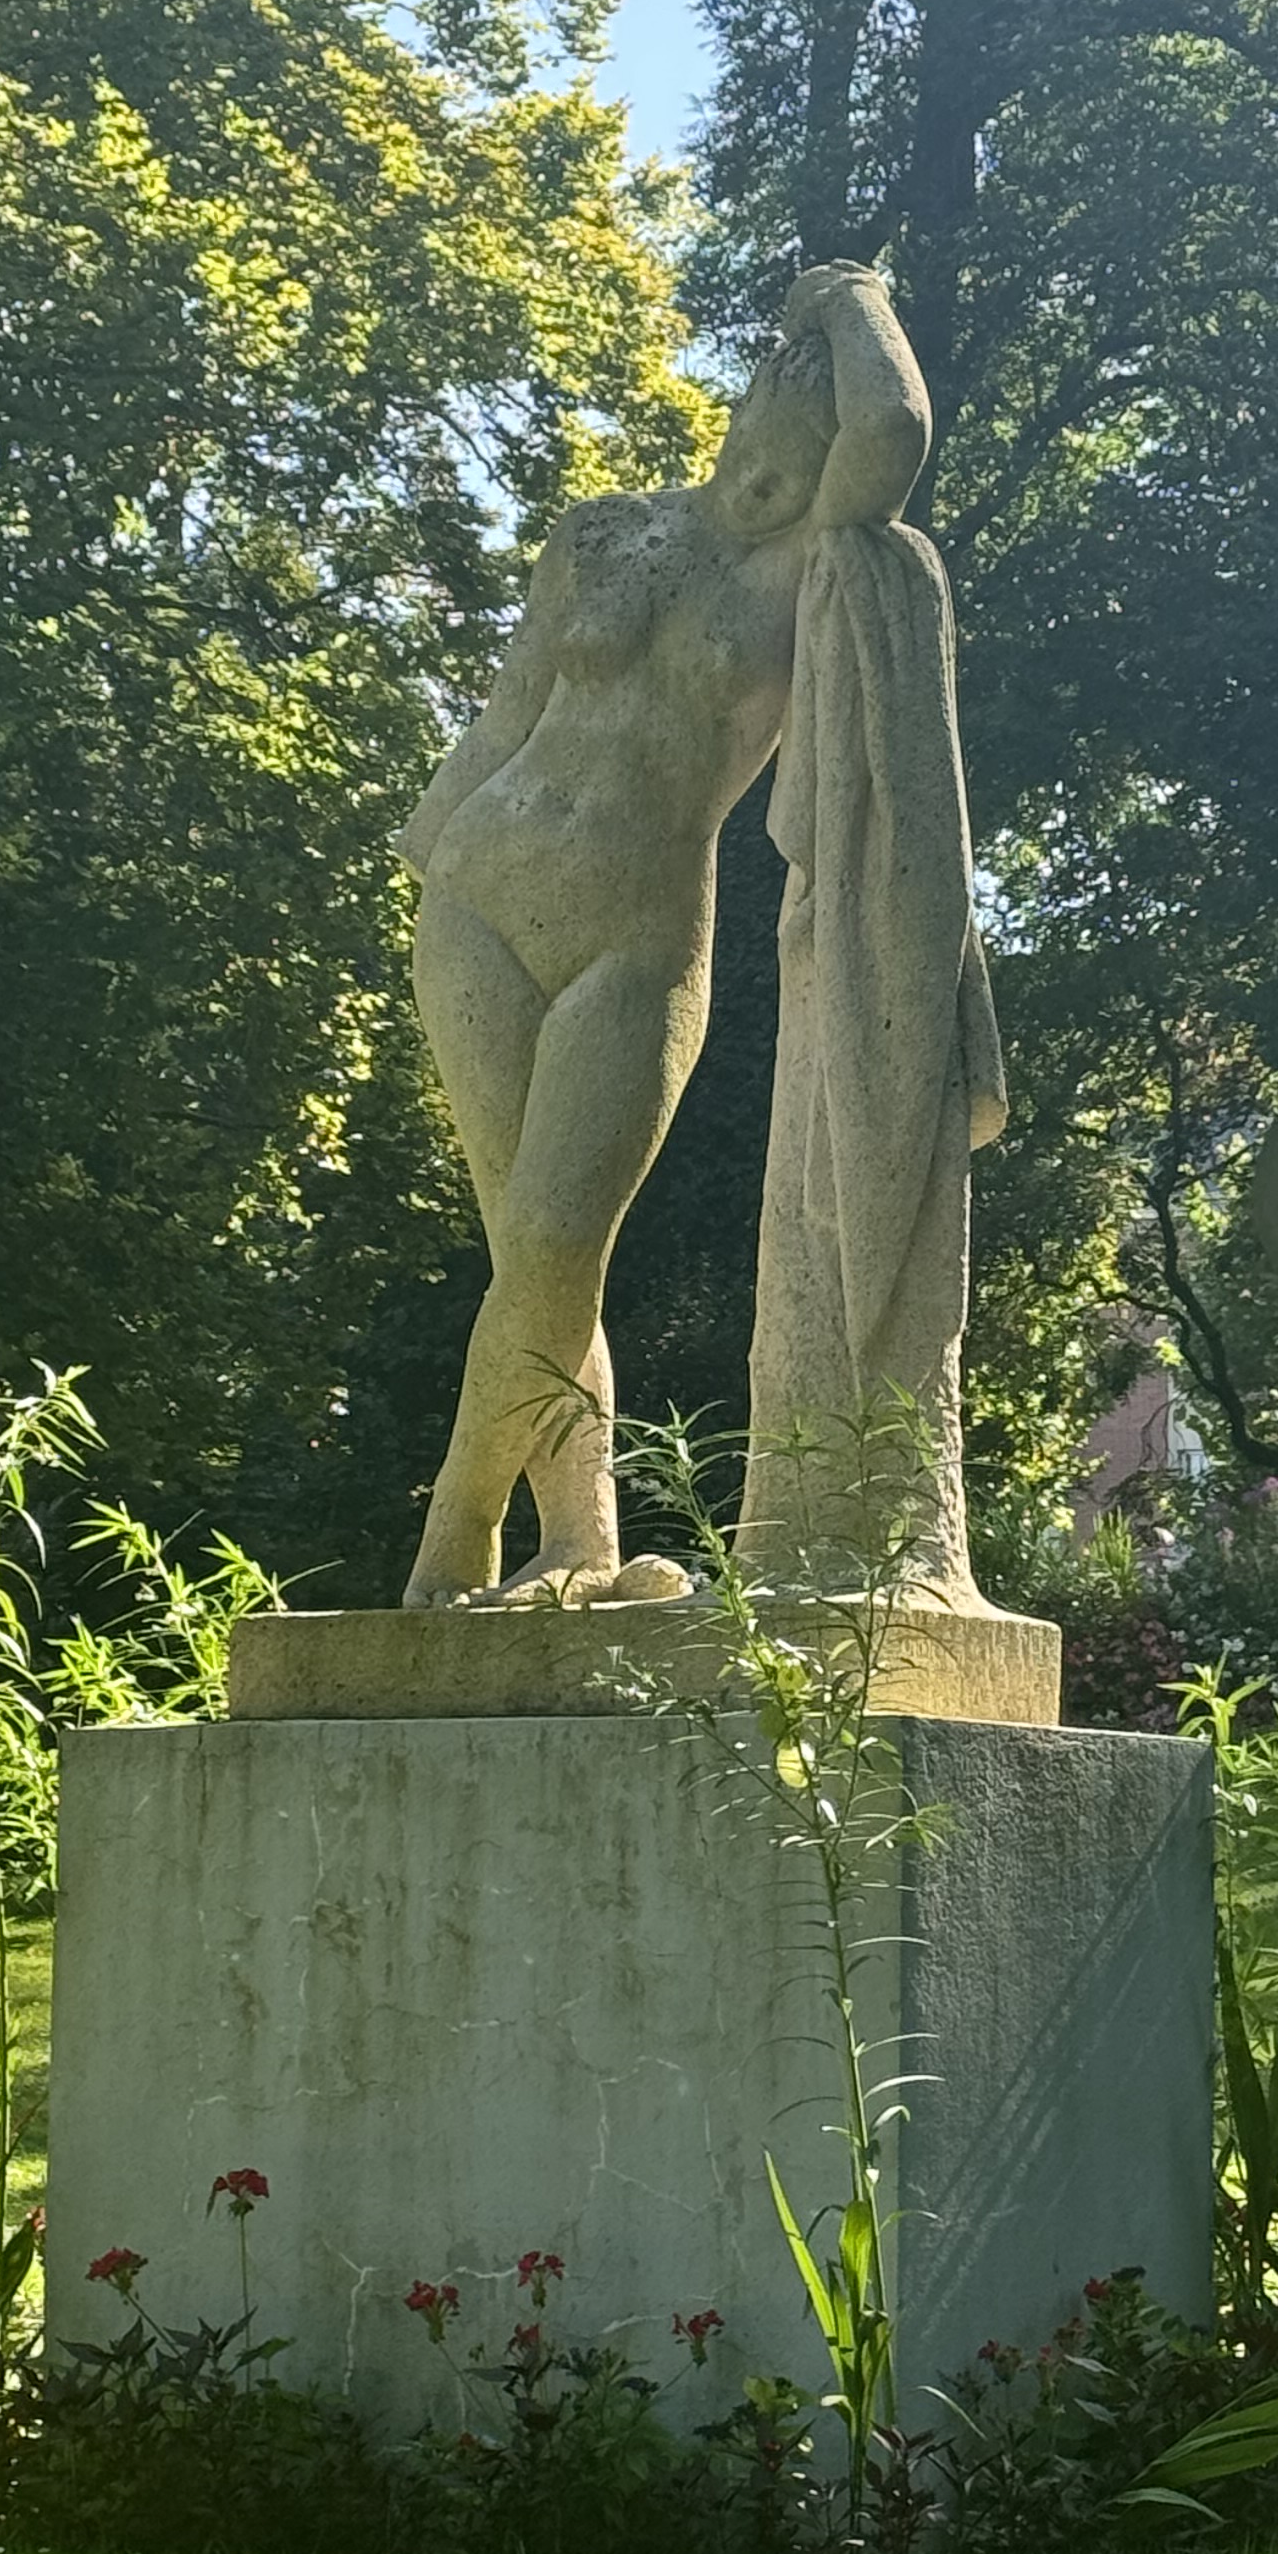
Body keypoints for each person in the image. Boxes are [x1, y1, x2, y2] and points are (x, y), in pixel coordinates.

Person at [399, 263, 930, 1604]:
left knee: (555, 1239)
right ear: (737, 407)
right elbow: (506, 715)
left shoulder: (805, 572)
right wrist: (423, 857)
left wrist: (851, 297)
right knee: (532, 1254)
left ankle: (457, 1529)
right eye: (766, 446)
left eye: (802, 468)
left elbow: (892, 435)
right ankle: (580, 1543)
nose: (777, 480)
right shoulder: (603, 532)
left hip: (636, 942)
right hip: (477, 898)